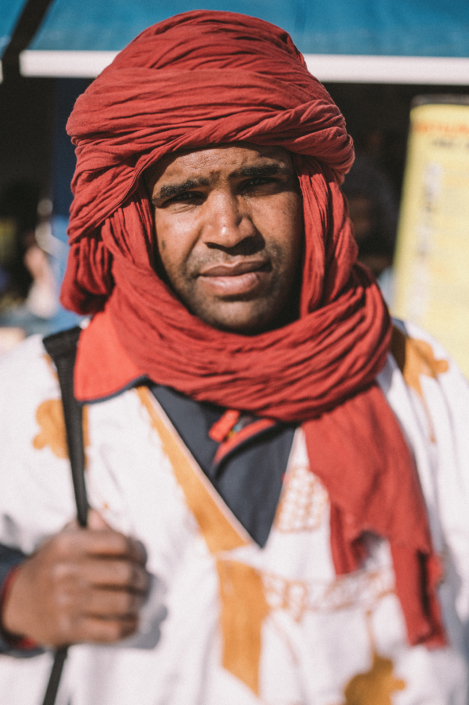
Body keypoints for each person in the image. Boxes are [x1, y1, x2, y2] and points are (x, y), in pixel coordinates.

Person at [0, 11, 468, 705]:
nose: (229, 230)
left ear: (311, 193)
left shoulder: (422, 382)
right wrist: (16, 598)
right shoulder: (34, 390)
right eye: (185, 196)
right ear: (136, 218)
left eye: (257, 183)